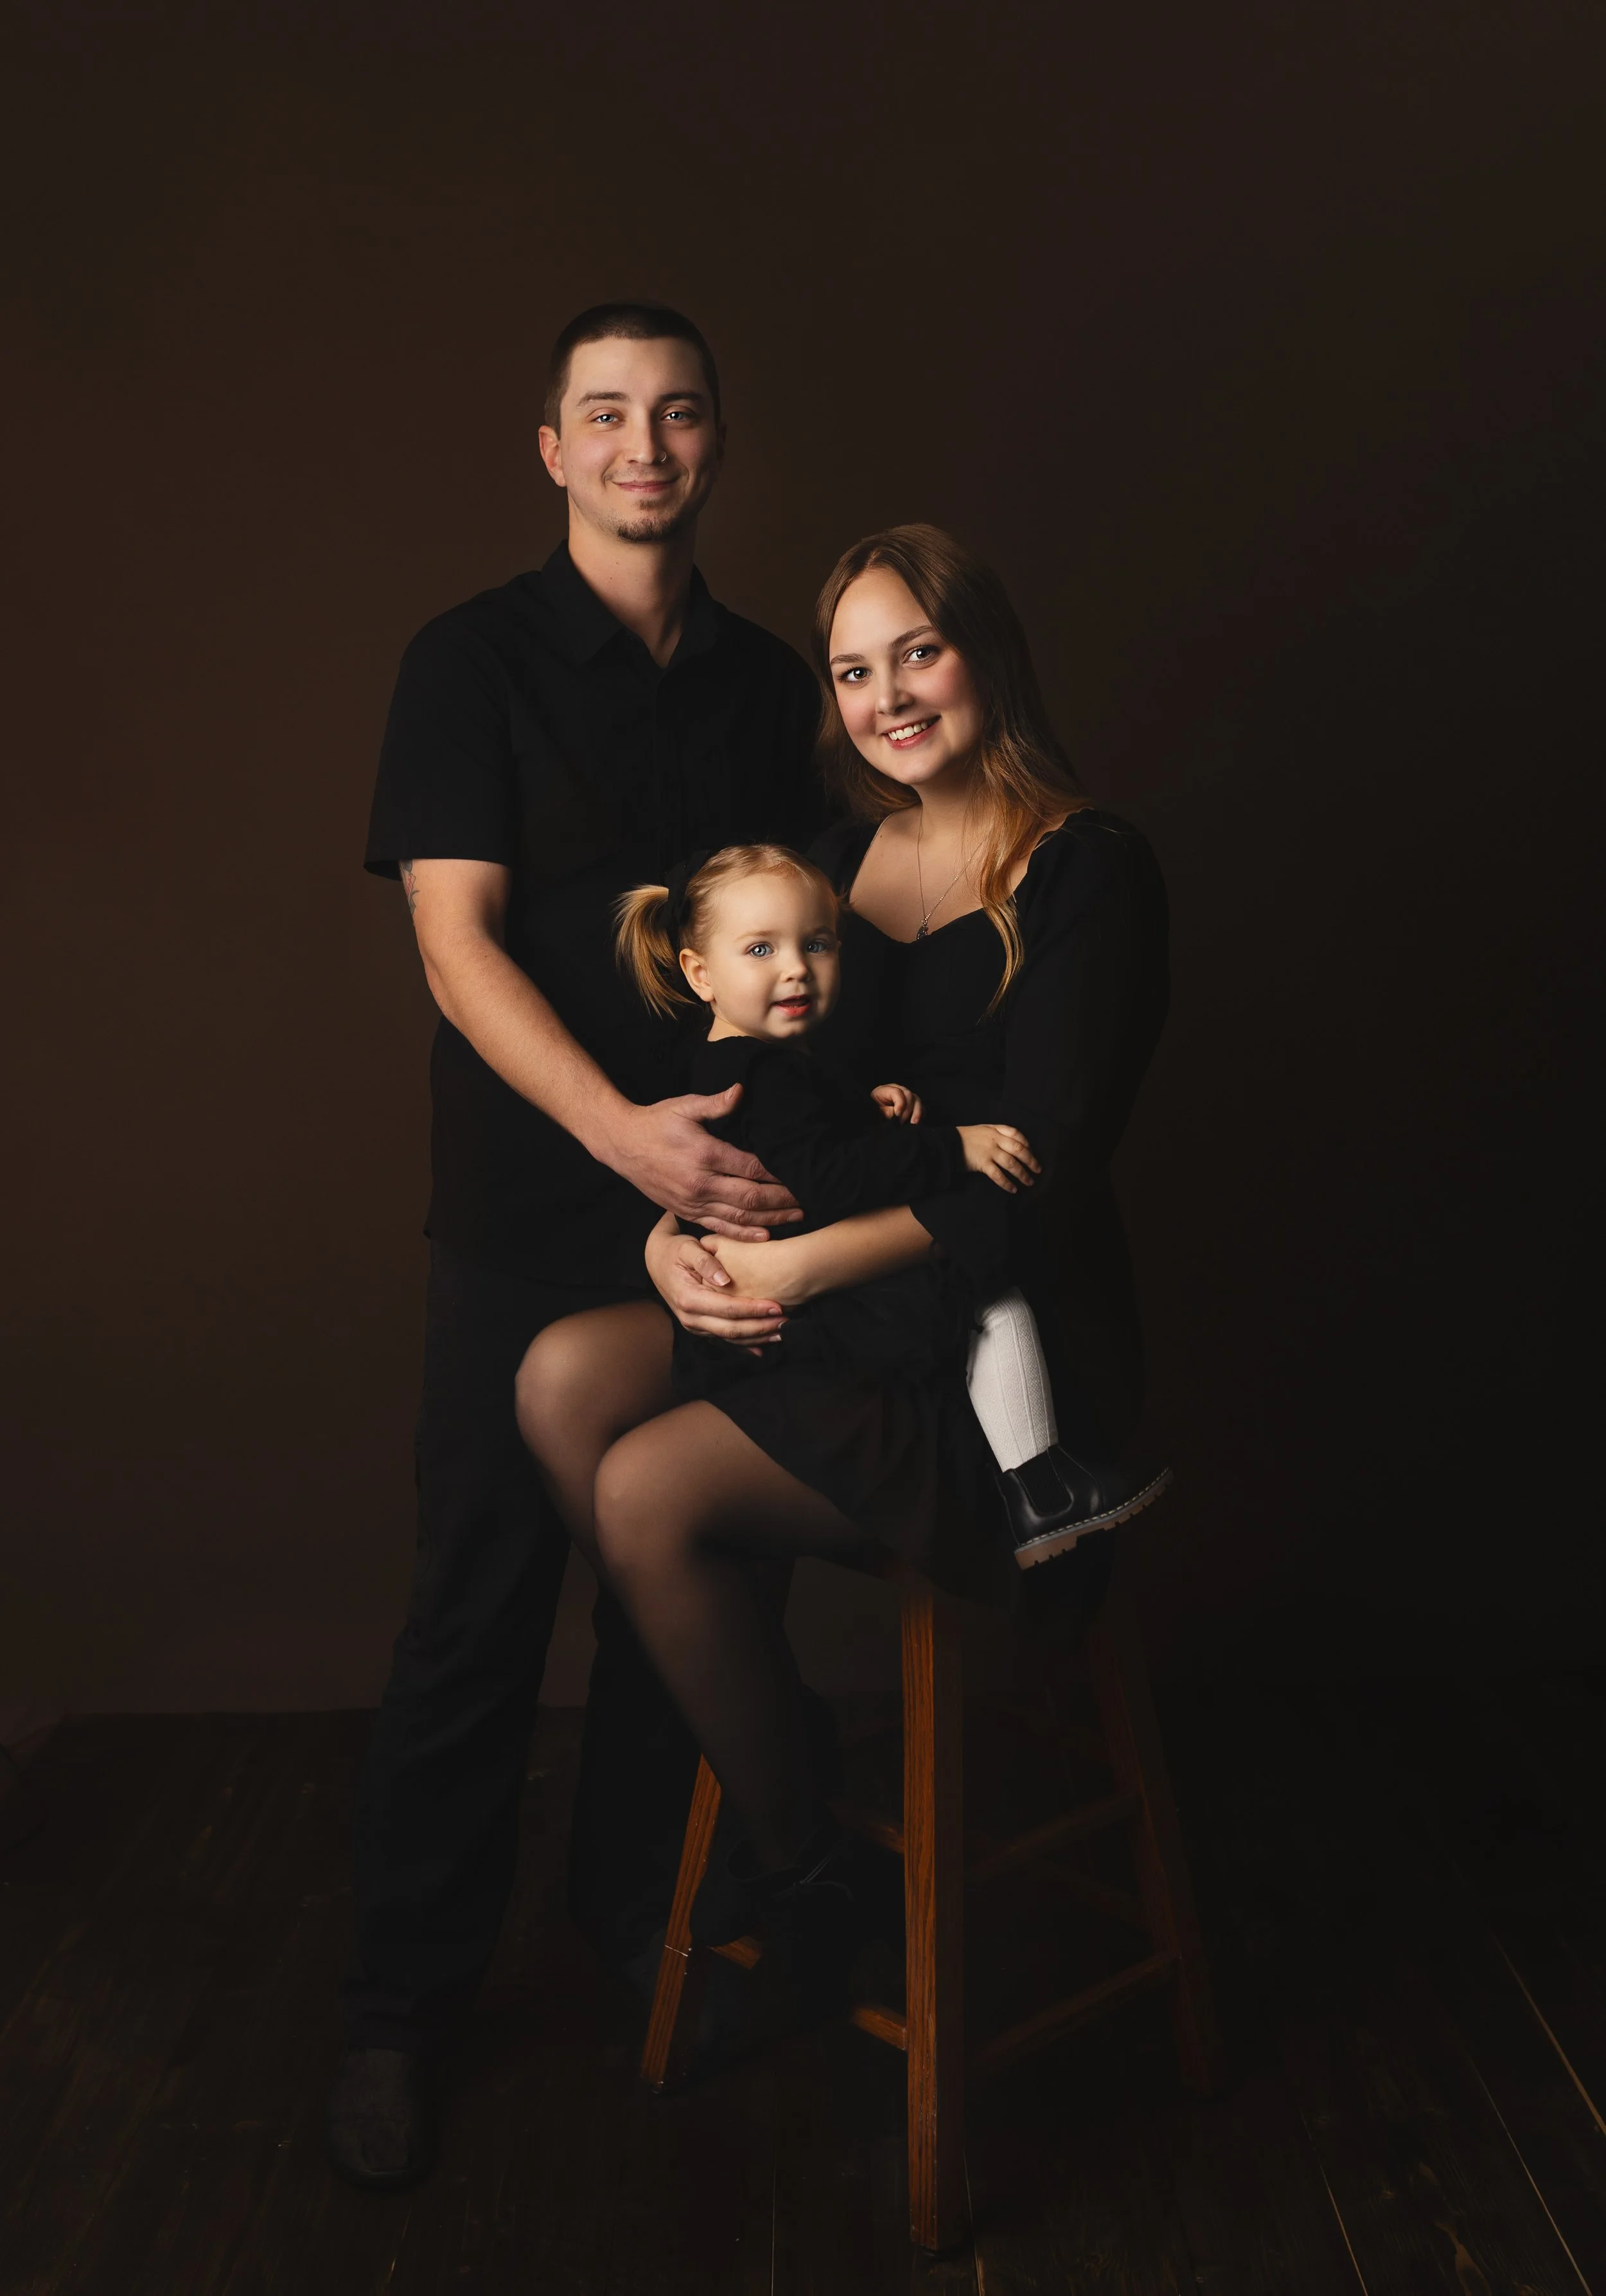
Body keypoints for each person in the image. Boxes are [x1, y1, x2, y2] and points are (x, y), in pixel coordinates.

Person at [516, 524, 1169, 1985]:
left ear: (986, 653)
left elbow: (1044, 1184)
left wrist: (793, 1273)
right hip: (831, 1307)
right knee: (562, 1377)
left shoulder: (1089, 868)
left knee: (646, 1487)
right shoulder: (830, 863)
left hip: (999, 1340)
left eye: (918, 652)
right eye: (855, 670)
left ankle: (806, 1862)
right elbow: (758, 1098)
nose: (888, 696)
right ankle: (769, 1735)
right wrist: (673, 1238)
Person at [328, 301, 829, 2191]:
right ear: (551, 449)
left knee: (678, 1587)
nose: (643, 446)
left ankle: (641, 1921)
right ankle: (398, 2010)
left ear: (714, 444)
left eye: (677, 413)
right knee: (475, 1604)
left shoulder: (767, 684)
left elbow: (805, 956)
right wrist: (622, 1138)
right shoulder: (464, 662)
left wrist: (750, 1187)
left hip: (720, 1217)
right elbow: (453, 946)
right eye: (605, 414)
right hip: (529, 1212)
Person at [611, 842, 1169, 1560]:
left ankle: (1041, 1491)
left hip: (798, 1292)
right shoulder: (767, 1071)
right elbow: (832, 1178)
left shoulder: (749, 1059)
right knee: (990, 1304)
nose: (795, 968)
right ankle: (1041, 1490)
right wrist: (955, 1146)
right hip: (811, 1312)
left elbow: (801, 1141)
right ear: (700, 974)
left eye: (817, 944)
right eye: (760, 949)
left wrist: (862, 1107)